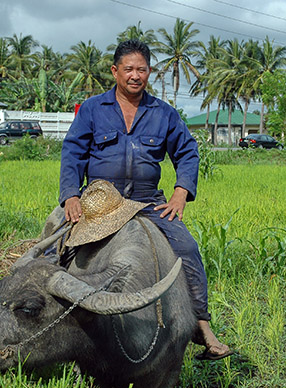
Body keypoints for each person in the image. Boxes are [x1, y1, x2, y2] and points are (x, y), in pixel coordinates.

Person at [59, 39, 232, 360]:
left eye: (141, 69)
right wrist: (70, 194)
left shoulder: (163, 113)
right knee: (59, 248)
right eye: (128, 69)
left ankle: (202, 325)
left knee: (187, 248)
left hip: (147, 201)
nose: (135, 75)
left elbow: (188, 151)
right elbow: (72, 151)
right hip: (100, 202)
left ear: (149, 72)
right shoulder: (94, 109)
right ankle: (55, 321)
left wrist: (181, 192)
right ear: (115, 71)